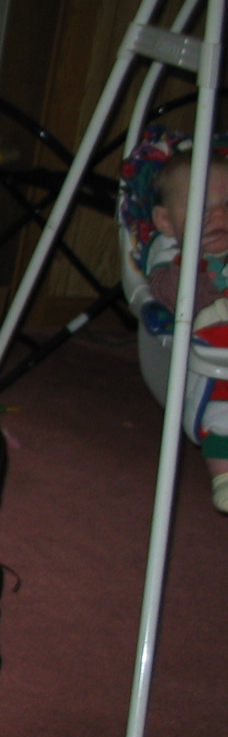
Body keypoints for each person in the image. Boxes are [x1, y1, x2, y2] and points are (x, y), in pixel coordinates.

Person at [144, 150, 228, 512]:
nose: (219, 216)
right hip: (214, 367)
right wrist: (200, 267)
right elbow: (178, 298)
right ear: (166, 221)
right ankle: (224, 475)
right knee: (222, 418)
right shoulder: (172, 266)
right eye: (201, 207)